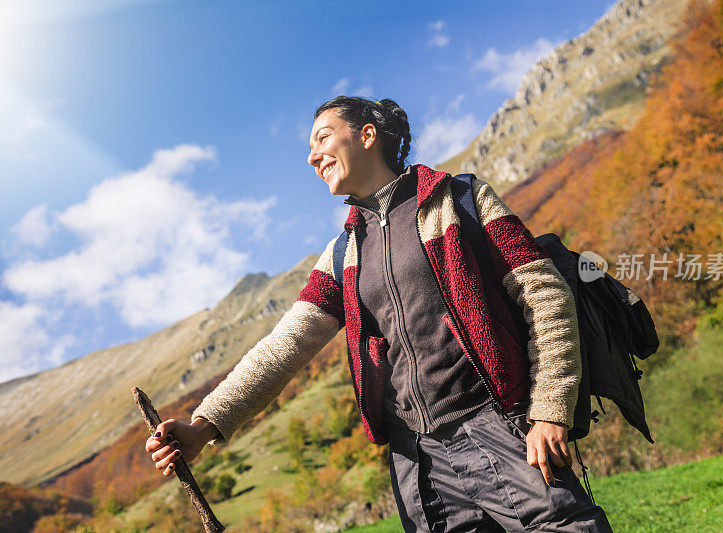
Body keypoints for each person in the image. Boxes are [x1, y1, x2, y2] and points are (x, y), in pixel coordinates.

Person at [145, 96, 613, 531]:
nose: (312, 157)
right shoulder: (343, 254)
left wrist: (550, 409)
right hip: (418, 460)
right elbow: (285, 346)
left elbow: (546, 295)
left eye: (323, 138)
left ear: (367, 135)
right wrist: (203, 426)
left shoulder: (458, 201)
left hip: (497, 427)